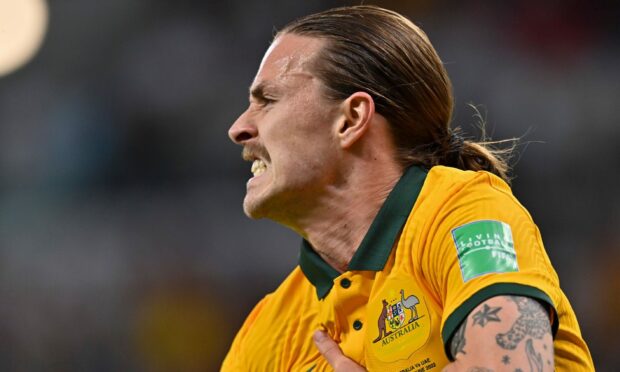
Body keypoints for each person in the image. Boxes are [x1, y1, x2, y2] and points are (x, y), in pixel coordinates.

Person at [222, 5, 593, 371]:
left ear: (350, 119)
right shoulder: (269, 333)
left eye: (267, 101)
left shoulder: (463, 211)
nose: (238, 128)